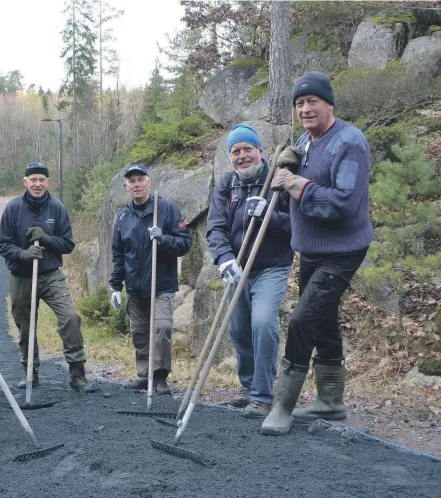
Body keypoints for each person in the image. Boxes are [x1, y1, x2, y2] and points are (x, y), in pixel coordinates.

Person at [261, 72, 374, 435]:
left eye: (313, 102)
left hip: (342, 251)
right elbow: (300, 180)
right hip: (310, 251)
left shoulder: (349, 143)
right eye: (300, 103)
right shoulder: (306, 141)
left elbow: (341, 203)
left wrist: (295, 182)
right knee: (322, 320)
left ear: (329, 104)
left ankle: (282, 405)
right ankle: (331, 401)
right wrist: (290, 162)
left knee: (301, 321)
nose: (306, 109)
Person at [206, 124, 293, 418]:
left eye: (247, 149)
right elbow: (215, 227)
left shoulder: (278, 181)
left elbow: (297, 228)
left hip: (271, 266)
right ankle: (247, 387)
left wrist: (270, 212)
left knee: (262, 323)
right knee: (239, 328)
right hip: (238, 267)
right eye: (236, 151)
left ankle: (262, 395)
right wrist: (225, 259)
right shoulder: (226, 184)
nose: (242, 156)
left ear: (260, 151)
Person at [0, 162, 88, 390]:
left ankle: (77, 372)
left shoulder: (57, 208)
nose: (38, 184)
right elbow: (3, 245)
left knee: (70, 317)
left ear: (48, 182)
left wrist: (47, 238)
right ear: (25, 181)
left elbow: (67, 244)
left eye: (42, 180)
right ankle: (31, 371)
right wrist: (23, 254)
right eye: (33, 179)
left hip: (50, 275)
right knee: (26, 326)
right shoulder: (13, 208)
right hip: (21, 276)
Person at [109, 164, 192, 395]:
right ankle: (144, 375)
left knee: (162, 329)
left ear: (149, 182)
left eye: (140, 179)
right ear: (126, 187)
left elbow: (185, 243)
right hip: (135, 288)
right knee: (140, 333)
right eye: (131, 181)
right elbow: (118, 255)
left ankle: (160, 377)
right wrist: (115, 285)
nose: (136, 184)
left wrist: (163, 238)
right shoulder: (123, 217)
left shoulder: (166, 209)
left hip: (161, 285)